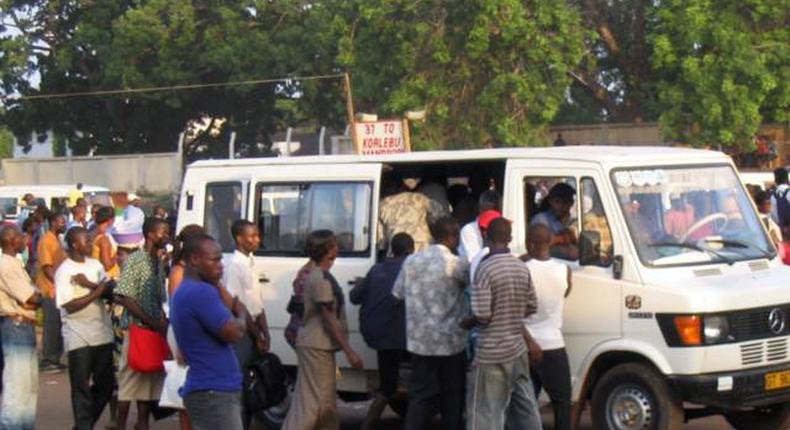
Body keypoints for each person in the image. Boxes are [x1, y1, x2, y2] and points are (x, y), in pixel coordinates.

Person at [392, 217, 469, 430]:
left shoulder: (411, 261)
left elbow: (397, 295)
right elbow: (476, 287)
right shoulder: (457, 264)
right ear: (452, 237)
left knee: (420, 396)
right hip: (451, 343)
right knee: (452, 398)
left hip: (420, 342)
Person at [282, 230, 364, 430]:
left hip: (318, 346)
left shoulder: (319, 274)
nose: (338, 248)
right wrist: (349, 352)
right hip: (316, 345)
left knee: (325, 403)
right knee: (312, 404)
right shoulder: (319, 278)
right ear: (329, 251)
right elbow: (328, 319)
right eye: (335, 245)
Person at [465, 218, 541, 430]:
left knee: (486, 414)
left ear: (486, 237)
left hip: (491, 352)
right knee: (526, 409)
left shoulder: (485, 269)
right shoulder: (521, 267)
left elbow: (482, 315)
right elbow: (532, 305)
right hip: (517, 349)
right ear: (509, 238)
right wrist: (511, 314)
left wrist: (465, 323)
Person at [170, 234, 250, 430]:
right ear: (195, 260)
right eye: (214, 259)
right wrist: (241, 316)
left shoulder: (190, 289)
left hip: (211, 389)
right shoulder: (200, 292)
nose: (221, 265)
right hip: (213, 391)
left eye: (221, 259)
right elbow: (234, 333)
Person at [350, 232, 415, 430]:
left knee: (389, 383)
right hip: (397, 337)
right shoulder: (411, 272)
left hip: (375, 335)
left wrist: (364, 283)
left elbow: (354, 297)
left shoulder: (376, 269)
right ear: (411, 251)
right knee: (394, 385)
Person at [113, 217, 170, 430]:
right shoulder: (136, 260)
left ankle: (143, 424)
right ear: (149, 235)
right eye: (162, 232)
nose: (165, 236)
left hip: (153, 331)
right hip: (137, 329)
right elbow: (124, 296)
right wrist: (151, 321)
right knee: (129, 382)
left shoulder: (157, 262)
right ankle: (121, 425)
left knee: (148, 385)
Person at [55, 227, 115, 430]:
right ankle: (83, 426)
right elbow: (69, 305)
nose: (90, 245)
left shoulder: (95, 265)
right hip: (78, 335)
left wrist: (91, 285)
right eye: (86, 241)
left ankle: (84, 424)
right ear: (74, 244)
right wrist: (97, 289)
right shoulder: (64, 270)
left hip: (102, 332)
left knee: (106, 386)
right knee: (80, 386)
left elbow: (110, 291)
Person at [524, 224, 573, 430]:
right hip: (553, 344)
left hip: (526, 343)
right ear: (551, 241)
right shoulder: (565, 270)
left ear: (529, 244)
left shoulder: (522, 269)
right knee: (562, 402)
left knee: (524, 404)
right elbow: (565, 293)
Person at [223, 220, 271, 427]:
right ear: (239, 238)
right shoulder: (234, 265)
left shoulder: (250, 261)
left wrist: (265, 332)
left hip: (254, 330)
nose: (256, 240)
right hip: (243, 331)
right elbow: (238, 304)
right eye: (251, 236)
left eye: (257, 235)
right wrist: (255, 334)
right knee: (239, 383)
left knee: (251, 383)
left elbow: (256, 301)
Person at [0, 226, 42, 429]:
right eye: (20, 236)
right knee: (17, 387)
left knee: (28, 387)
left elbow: (32, 299)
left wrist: (34, 298)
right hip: (16, 325)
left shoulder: (15, 262)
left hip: (24, 325)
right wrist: (35, 297)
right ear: (11, 240)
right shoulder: (5, 264)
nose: (25, 239)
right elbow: (31, 298)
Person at [166, 224, 206, 430]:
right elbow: (177, 312)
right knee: (185, 388)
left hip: (197, 334)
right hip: (184, 335)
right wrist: (182, 344)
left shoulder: (193, 269)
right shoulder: (178, 271)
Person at [378, 177, 449, 253]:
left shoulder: (382, 205)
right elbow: (441, 219)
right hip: (424, 249)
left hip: (398, 253)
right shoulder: (419, 198)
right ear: (403, 186)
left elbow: (380, 241)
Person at [36, 211, 67, 373]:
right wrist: (58, 283)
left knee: (58, 325)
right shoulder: (46, 240)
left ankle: (55, 357)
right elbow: (47, 267)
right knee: (51, 326)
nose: (64, 224)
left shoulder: (56, 240)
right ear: (53, 222)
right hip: (49, 289)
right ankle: (48, 359)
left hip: (57, 289)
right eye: (61, 221)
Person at [531, 183, 578, 260]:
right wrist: (563, 238)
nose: (563, 206)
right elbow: (540, 242)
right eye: (558, 202)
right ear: (550, 201)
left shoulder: (563, 220)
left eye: (567, 202)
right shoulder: (541, 219)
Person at [459, 190, 502, 261]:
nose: (489, 216)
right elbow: (473, 260)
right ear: (479, 209)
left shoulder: (505, 228)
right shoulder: (468, 230)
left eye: (494, 211)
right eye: (487, 212)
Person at [92, 206, 121, 279]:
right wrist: (117, 255)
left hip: (97, 275)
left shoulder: (92, 233)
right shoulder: (103, 239)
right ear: (109, 220)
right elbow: (107, 266)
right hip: (109, 278)